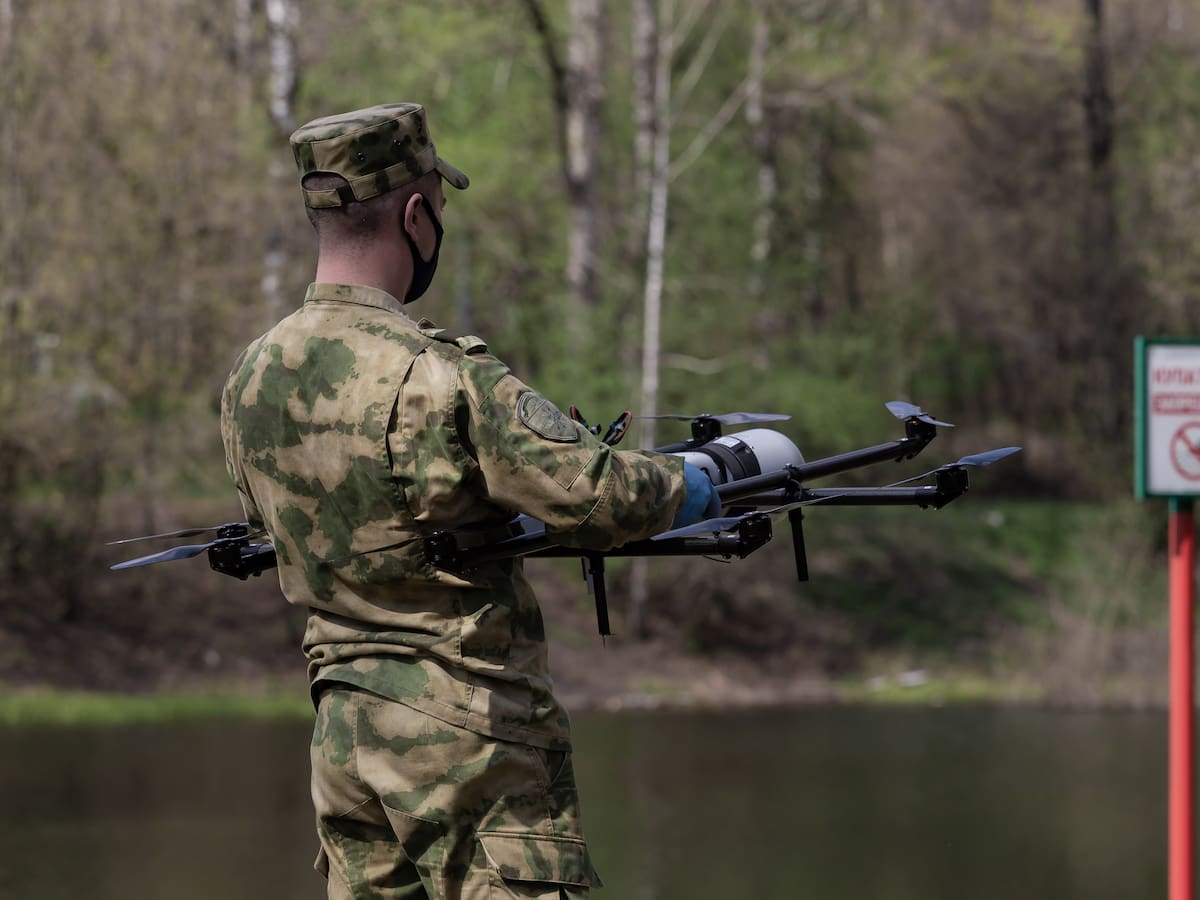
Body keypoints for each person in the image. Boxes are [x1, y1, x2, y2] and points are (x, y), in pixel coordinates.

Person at [219, 102, 721, 899]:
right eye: (439, 210)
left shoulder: (252, 376)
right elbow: (605, 499)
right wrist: (705, 478)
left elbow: (274, 526)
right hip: (470, 742)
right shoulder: (439, 375)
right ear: (416, 216)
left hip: (344, 738)